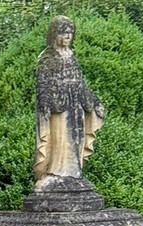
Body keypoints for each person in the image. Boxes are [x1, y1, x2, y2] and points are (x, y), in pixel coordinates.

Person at [33, 16, 105, 190]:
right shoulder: (47, 57)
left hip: (76, 106)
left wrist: (94, 101)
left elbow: (80, 83)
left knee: (76, 140)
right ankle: (55, 172)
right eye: (63, 33)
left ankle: (74, 173)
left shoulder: (72, 56)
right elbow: (42, 84)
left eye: (70, 33)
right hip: (59, 107)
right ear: (54, 34)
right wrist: (45, 102)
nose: (67, 37)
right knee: (59, 139)